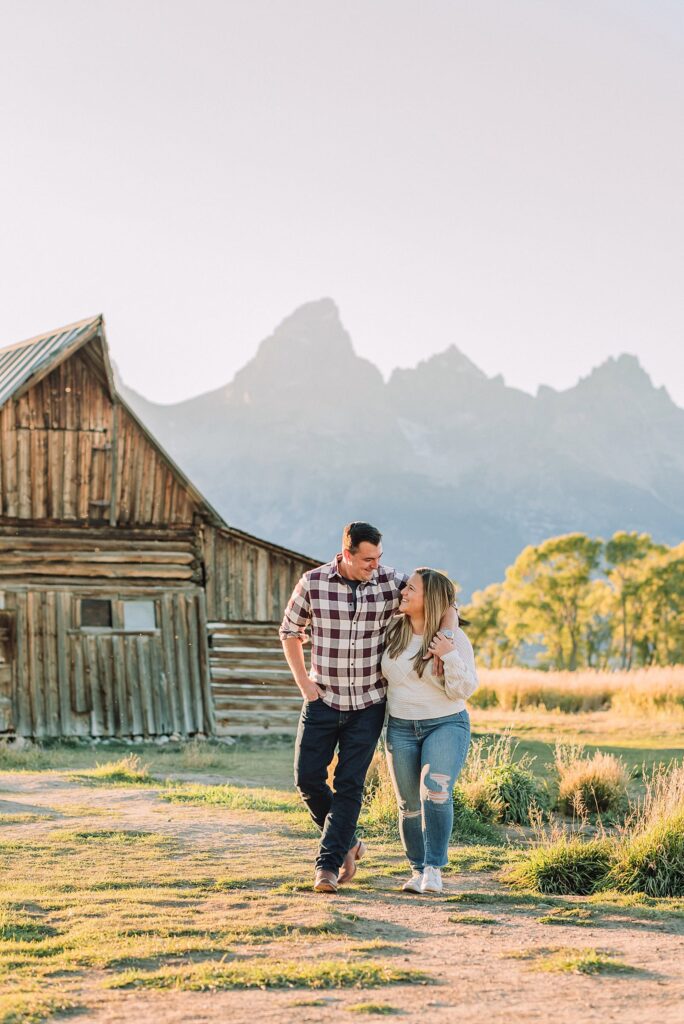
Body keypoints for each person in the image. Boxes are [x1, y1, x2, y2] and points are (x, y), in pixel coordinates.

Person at [280, 522, 458, 893]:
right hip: (322, 699)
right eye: (366, 559)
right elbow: (289, 632)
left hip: (368, 705)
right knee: (307, 779)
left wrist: (449, 638)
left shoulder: (391, 581)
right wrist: (305, 685)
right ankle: (348, 842)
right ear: (346, 554)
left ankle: (326, 868)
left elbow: (444, 599)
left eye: (378, 558)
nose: (374, 566)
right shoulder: (312, 583)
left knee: (349, 784)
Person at [382, 568, 478, 895]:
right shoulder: (393, 630)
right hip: (400, 727)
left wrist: (448, 654)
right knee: (409, 803)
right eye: (405, 587)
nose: (404, 593)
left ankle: (434, 869)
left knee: (434, 792)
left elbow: (464, 690)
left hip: (445, 723)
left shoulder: (454, 639)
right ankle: (417, 869)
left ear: (430, 599)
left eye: (411, 589)